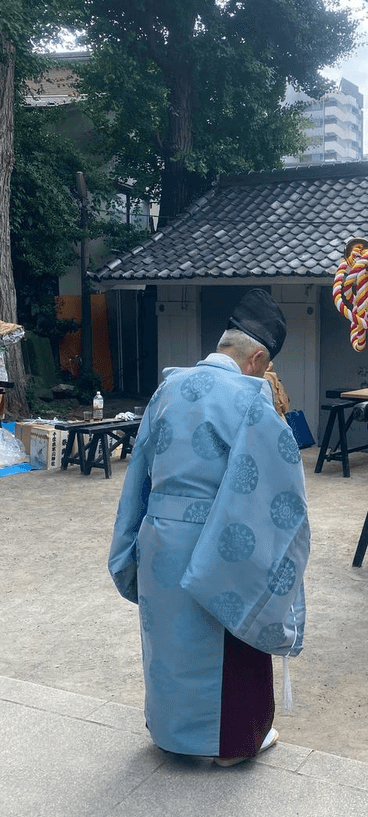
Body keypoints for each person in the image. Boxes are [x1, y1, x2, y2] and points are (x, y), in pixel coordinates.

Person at [108, 289, 309, 767]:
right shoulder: (252, 401)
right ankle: (232, 746)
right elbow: (276, 497)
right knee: (230, 630)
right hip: (219, 540)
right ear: (257, 356)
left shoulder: (167, 388)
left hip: (159, 538)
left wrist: (132, 540)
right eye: (264, 367)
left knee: (169, 643)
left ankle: (171, 733)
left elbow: (139, 473)